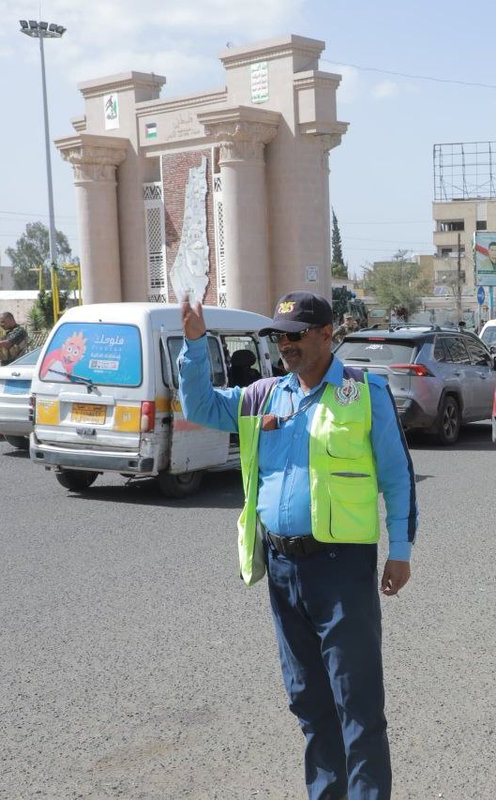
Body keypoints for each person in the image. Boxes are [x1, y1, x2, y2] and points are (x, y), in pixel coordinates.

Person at [178, 291, 415, 800]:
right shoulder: (265, 395)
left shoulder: (365, 392)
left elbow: (398, 476)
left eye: (295, 334)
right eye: (278, 336)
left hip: (342, 569)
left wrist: (401, 549)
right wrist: (195, 344)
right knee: (309, 703)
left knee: (357, 704)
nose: (285, 344)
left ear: (327, 335)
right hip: (283, 569)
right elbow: (199, 406)